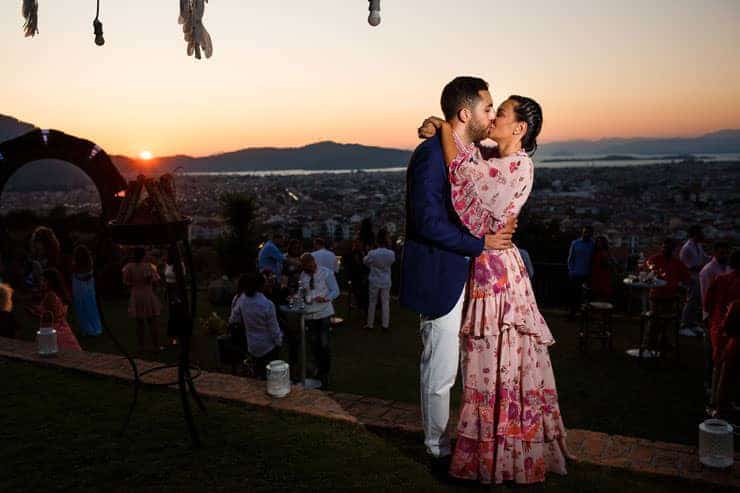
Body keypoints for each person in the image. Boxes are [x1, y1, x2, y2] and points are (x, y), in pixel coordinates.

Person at [419, 94, 569, 484]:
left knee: (495, 365)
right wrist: (441, 124)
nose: (493, 118)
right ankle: (493, 450)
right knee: (485, 367)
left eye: (499, 113)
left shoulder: (518, 166)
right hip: (486, 269)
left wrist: (444, 127)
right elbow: (466, 153)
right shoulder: (495, 157)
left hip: (497, 275)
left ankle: (496, 455)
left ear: (519, 128)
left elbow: (462, 172)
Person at [401, 76, 516, 472]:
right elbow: (427, 222)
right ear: (466, 113)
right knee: (441, 368)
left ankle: (466, 440)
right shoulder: (430, 156)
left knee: (472, 367)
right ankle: (436, 448)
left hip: (476, 279)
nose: (493, 114)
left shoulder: (474, 154)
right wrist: (481, 244)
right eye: (488, 108)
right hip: (441, 277)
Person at [229, 272, 283, 379]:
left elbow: (233, 319)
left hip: (251, 345)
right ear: (261, 286)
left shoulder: (242, 299)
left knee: (258, 373)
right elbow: (274, 329)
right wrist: (279, 342)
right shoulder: (267, 305)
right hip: (268, 346)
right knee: (271, 375)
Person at [705, 250, 740, 416]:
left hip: (718, 326)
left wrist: (712, 319)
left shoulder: (720, 280)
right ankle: (717, 404)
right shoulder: (727, 281)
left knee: (720, 365)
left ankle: (718, 402)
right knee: (726, 368)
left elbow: (708, 302)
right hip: (730, 329)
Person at [299, 253, 339, 389]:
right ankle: (318, 370)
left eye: (308, 266)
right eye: (305, 267)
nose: (307, 270)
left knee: (324, 344)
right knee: (314, 344)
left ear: (313, 262)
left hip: (324, 313)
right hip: (310, 315)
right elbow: (302, 293)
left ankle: (324, 373)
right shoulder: (303, 276)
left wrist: (326, 298)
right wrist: (301, 296)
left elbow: (336, 291)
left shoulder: (326, 273)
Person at [699, 241, 731, 395]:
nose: (725, 256)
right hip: (713, 316)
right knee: (710, 351)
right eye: (722, 253)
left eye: (727, 253)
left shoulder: (726, 268)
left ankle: (717, 383)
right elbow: (706, 295)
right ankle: (708, 382)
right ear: (715, 253)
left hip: (724, 315)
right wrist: (707, 316)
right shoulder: (708, 271)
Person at [28, 268, 82, 350]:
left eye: (44, 280)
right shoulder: (57, 294)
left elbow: (50, 314)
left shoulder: (50, 296)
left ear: (50, 282)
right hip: (62, 327)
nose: (41, 283)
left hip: (54, 329)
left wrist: (34, 313)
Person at [122, 247, 162, 352]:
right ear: (144, 255)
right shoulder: (148, 266)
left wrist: (134, 284)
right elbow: (154, 280)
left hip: (136, 294)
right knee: (152, 321)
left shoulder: (129, 267)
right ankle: (156, 346)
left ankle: (141, 347)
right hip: (147, 294)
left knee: (139, 323)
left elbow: (126, 282)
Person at [679, 225, 710, 335]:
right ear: (695, 234)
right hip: (690, 278)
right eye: (700, 233)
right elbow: (689, 267)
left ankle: (691, 323)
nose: (702, 234)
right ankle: (684, 324)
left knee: (695, 301)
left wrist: (712, 258)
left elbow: (704, 257)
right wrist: (705, 266)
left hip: (698, 278)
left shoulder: (698, 245)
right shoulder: (687, 248)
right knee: (691, 301)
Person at [363, 233, 396, 331]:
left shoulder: (372, 253)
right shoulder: (391, 253)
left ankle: (370, 324)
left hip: (374, 280)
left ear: (377, 241)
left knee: (372, 302)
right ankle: (385, 325)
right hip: (386, 280)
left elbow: (365, 261)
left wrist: (372, 266)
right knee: (385, 303)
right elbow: (392, 262)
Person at [71, 244, 103, 337]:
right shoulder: (89, 264)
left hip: (81, 289)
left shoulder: (78, 266)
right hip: (87, 289)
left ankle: (87, 329)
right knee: (89, 307)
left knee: (83, 308)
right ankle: (91, 328)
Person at [567, 226, 595, 319]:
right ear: (582, 232)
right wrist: (571, 270)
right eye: (585, 232)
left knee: (586, 297)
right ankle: (572, 314)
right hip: (575, 273)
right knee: (574, 295)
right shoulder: (575, 243)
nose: (586, 234)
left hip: (587, 274)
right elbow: (570, 258)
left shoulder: (593, 245)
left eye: (588, 232)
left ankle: (584, 315)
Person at [590, 236, 614, 302]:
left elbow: (610, 262)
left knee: (604, 292)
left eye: (601, 242)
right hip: (595, 274)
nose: (599, 243)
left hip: (604, 274)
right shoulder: (594, 252)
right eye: (598, 242)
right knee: (596, 292)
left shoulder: (606, 252)